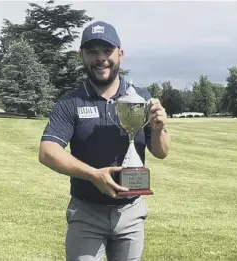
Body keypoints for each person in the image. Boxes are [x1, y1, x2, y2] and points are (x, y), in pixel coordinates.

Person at [39, 21, 170, 261]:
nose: (101, 58)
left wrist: (160, 129)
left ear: (120, 54)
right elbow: (47, 151)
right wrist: (93, 175)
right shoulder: (71, 102)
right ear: (82, 56)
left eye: (107, 51)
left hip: (130, 213)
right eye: (92, 51)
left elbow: (161, 152)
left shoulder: (141, 99)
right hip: (86, 213)